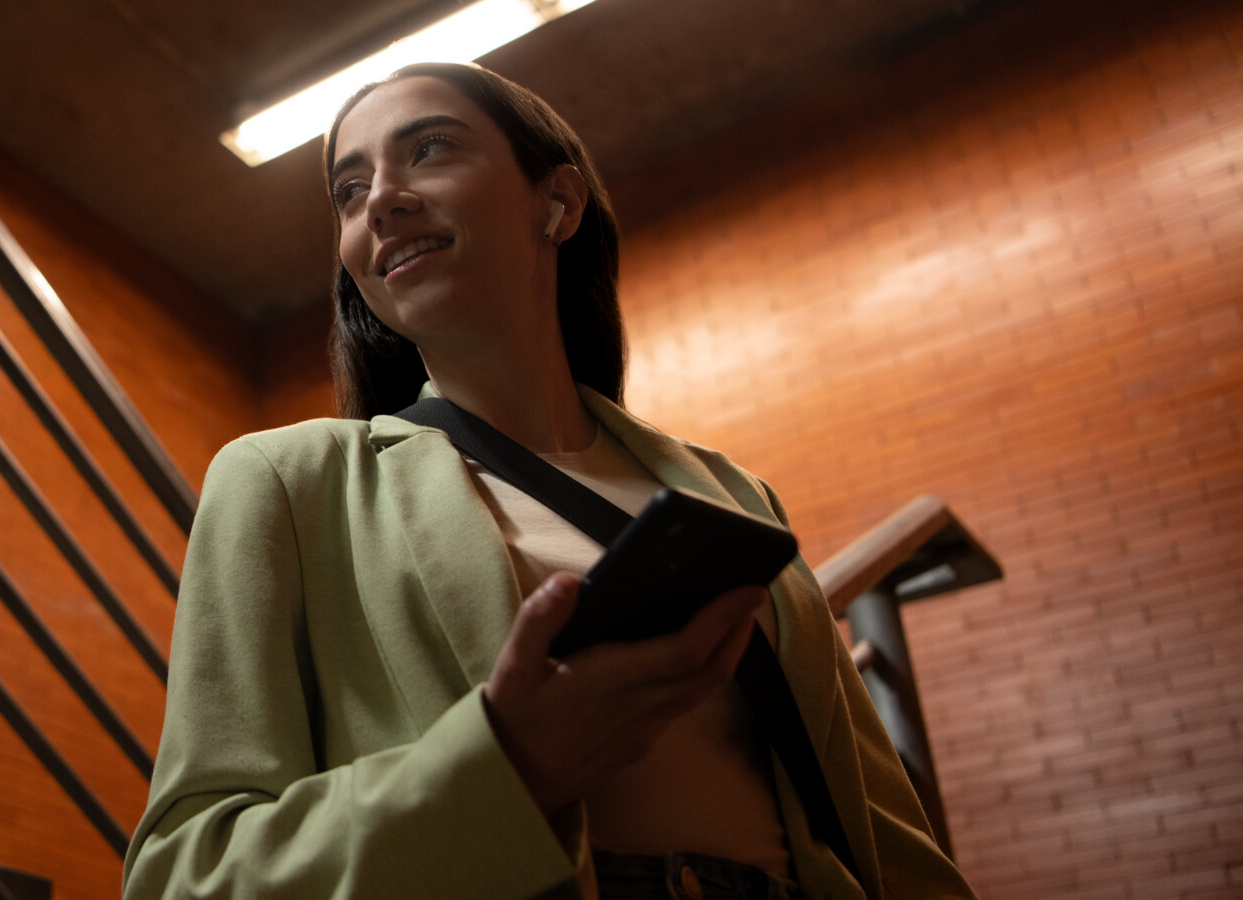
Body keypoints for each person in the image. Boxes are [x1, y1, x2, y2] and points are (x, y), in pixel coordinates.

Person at [123, 62, 976, 900]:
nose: (380, 199)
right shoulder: (286, 482)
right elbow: (182, 875)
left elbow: (882, 835)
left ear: (558, 204)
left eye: (428, 149)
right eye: (349, 190)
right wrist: (506, 764)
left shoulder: (730, 493)